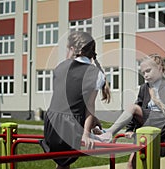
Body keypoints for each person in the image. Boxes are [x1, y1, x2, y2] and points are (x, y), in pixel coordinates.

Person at [98, 53, 165, 169]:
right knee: (132, 163)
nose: (145, 75)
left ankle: (109, 132)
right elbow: (135, 113)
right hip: (147, 125)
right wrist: (130, 129)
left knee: (133, 107)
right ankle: (108, 133)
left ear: (159, 68)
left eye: (148, 71)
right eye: (143, 73)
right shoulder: (144, 88)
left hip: (163, 124)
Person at [40, 31, 110, 169]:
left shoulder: (59, 67)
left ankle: (96, 133)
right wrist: (86, 134)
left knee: (62, 163)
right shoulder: (95, 73)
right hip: (70, 129)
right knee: (106, 139)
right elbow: (89, 107)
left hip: (51, 127)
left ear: (73, 49)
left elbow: (67, 101)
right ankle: (100, 135)